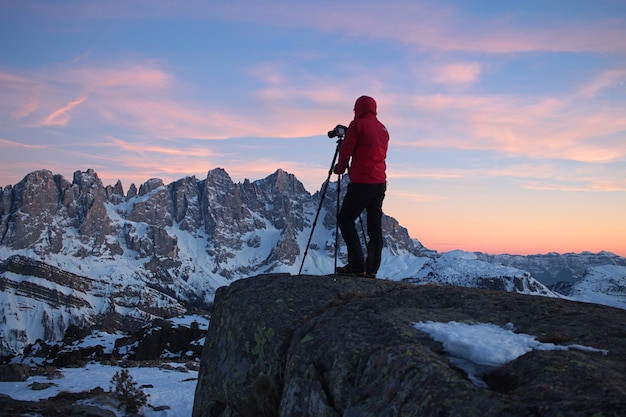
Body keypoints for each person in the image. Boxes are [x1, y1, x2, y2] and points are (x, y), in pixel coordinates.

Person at [333, 95, 389, 278]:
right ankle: (371, 269)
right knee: (374, 226)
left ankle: (357, 265)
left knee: (346, 219)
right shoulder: (382, 129)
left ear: (358, 108)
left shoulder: (357, 125)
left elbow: (346, 151)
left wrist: (339, 169)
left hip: (362, 182)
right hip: (380, 183)